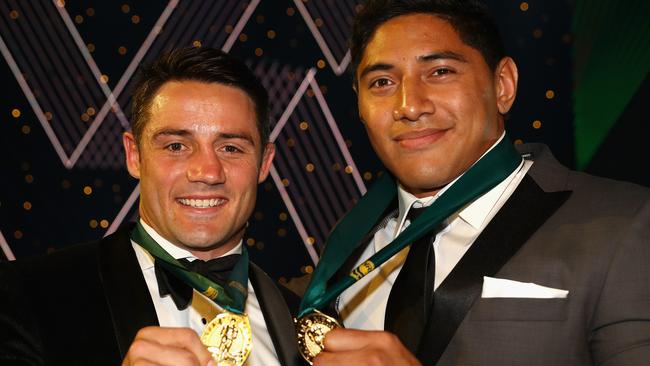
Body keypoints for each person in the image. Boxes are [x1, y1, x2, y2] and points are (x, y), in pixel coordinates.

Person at [309, 1, 650, 365]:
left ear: (502, 85)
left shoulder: (625, 222)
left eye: (439, 72)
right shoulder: (347, 246)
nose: (409, 105)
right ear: (360, 105)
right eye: (382, 82)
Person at [0, 47, 302, 366]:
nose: (207, 172)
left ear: (264, 162)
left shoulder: (303, 323)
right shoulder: (32, 296)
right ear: (134, 155)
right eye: (176, 146)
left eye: (230, 147)